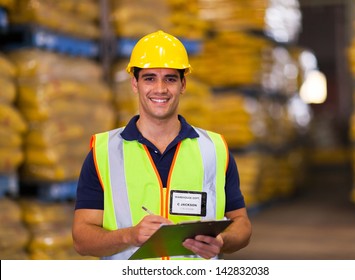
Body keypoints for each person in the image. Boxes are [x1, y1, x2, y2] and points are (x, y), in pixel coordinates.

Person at [72, 30, 252, 260]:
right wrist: (130, 236)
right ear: (135, 83)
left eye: (170, 78)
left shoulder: (214, 149)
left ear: (183, 84)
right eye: (149, 78)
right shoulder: (104, 152)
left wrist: (222, 241)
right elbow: (81, 239)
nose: (160, 89)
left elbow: (242, 224)